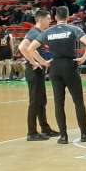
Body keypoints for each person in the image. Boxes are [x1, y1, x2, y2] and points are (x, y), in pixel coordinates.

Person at [25, 7, 86, 145]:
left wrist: (44, 62)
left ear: (56, 18)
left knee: (59, 103)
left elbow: (30, 48)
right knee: (78, 102)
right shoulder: (73, 29)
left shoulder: (47, 32)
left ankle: (63, 137)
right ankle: (85, 133)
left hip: (55, 68)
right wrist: (83, 58)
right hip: (70, 66)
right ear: (68, 17)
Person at [18, 10, 59, 141]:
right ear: (40, 20)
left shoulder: (40, 32)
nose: (50, 21)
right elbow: (22, 47)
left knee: (41, 101)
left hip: (39, 71)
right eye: (48, 18)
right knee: (35, 102)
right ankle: (31, 133)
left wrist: (42, 62)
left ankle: (45, 129)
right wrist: (34, 62)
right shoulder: (34, 32)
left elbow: (33, 50)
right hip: (33, 71)